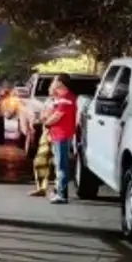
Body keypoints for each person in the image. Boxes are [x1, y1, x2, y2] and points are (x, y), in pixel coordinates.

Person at [40, 74, 77, 204]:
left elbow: (57, 116)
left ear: (61, 83)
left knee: (62, 165)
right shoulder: (61, 98)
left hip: (62, 135)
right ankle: (58, 190)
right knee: (59, 164)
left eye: (55, 80)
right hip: (58, 135)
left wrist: (46, 124)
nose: (52, 82)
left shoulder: (66, 99)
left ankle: (62, 195)